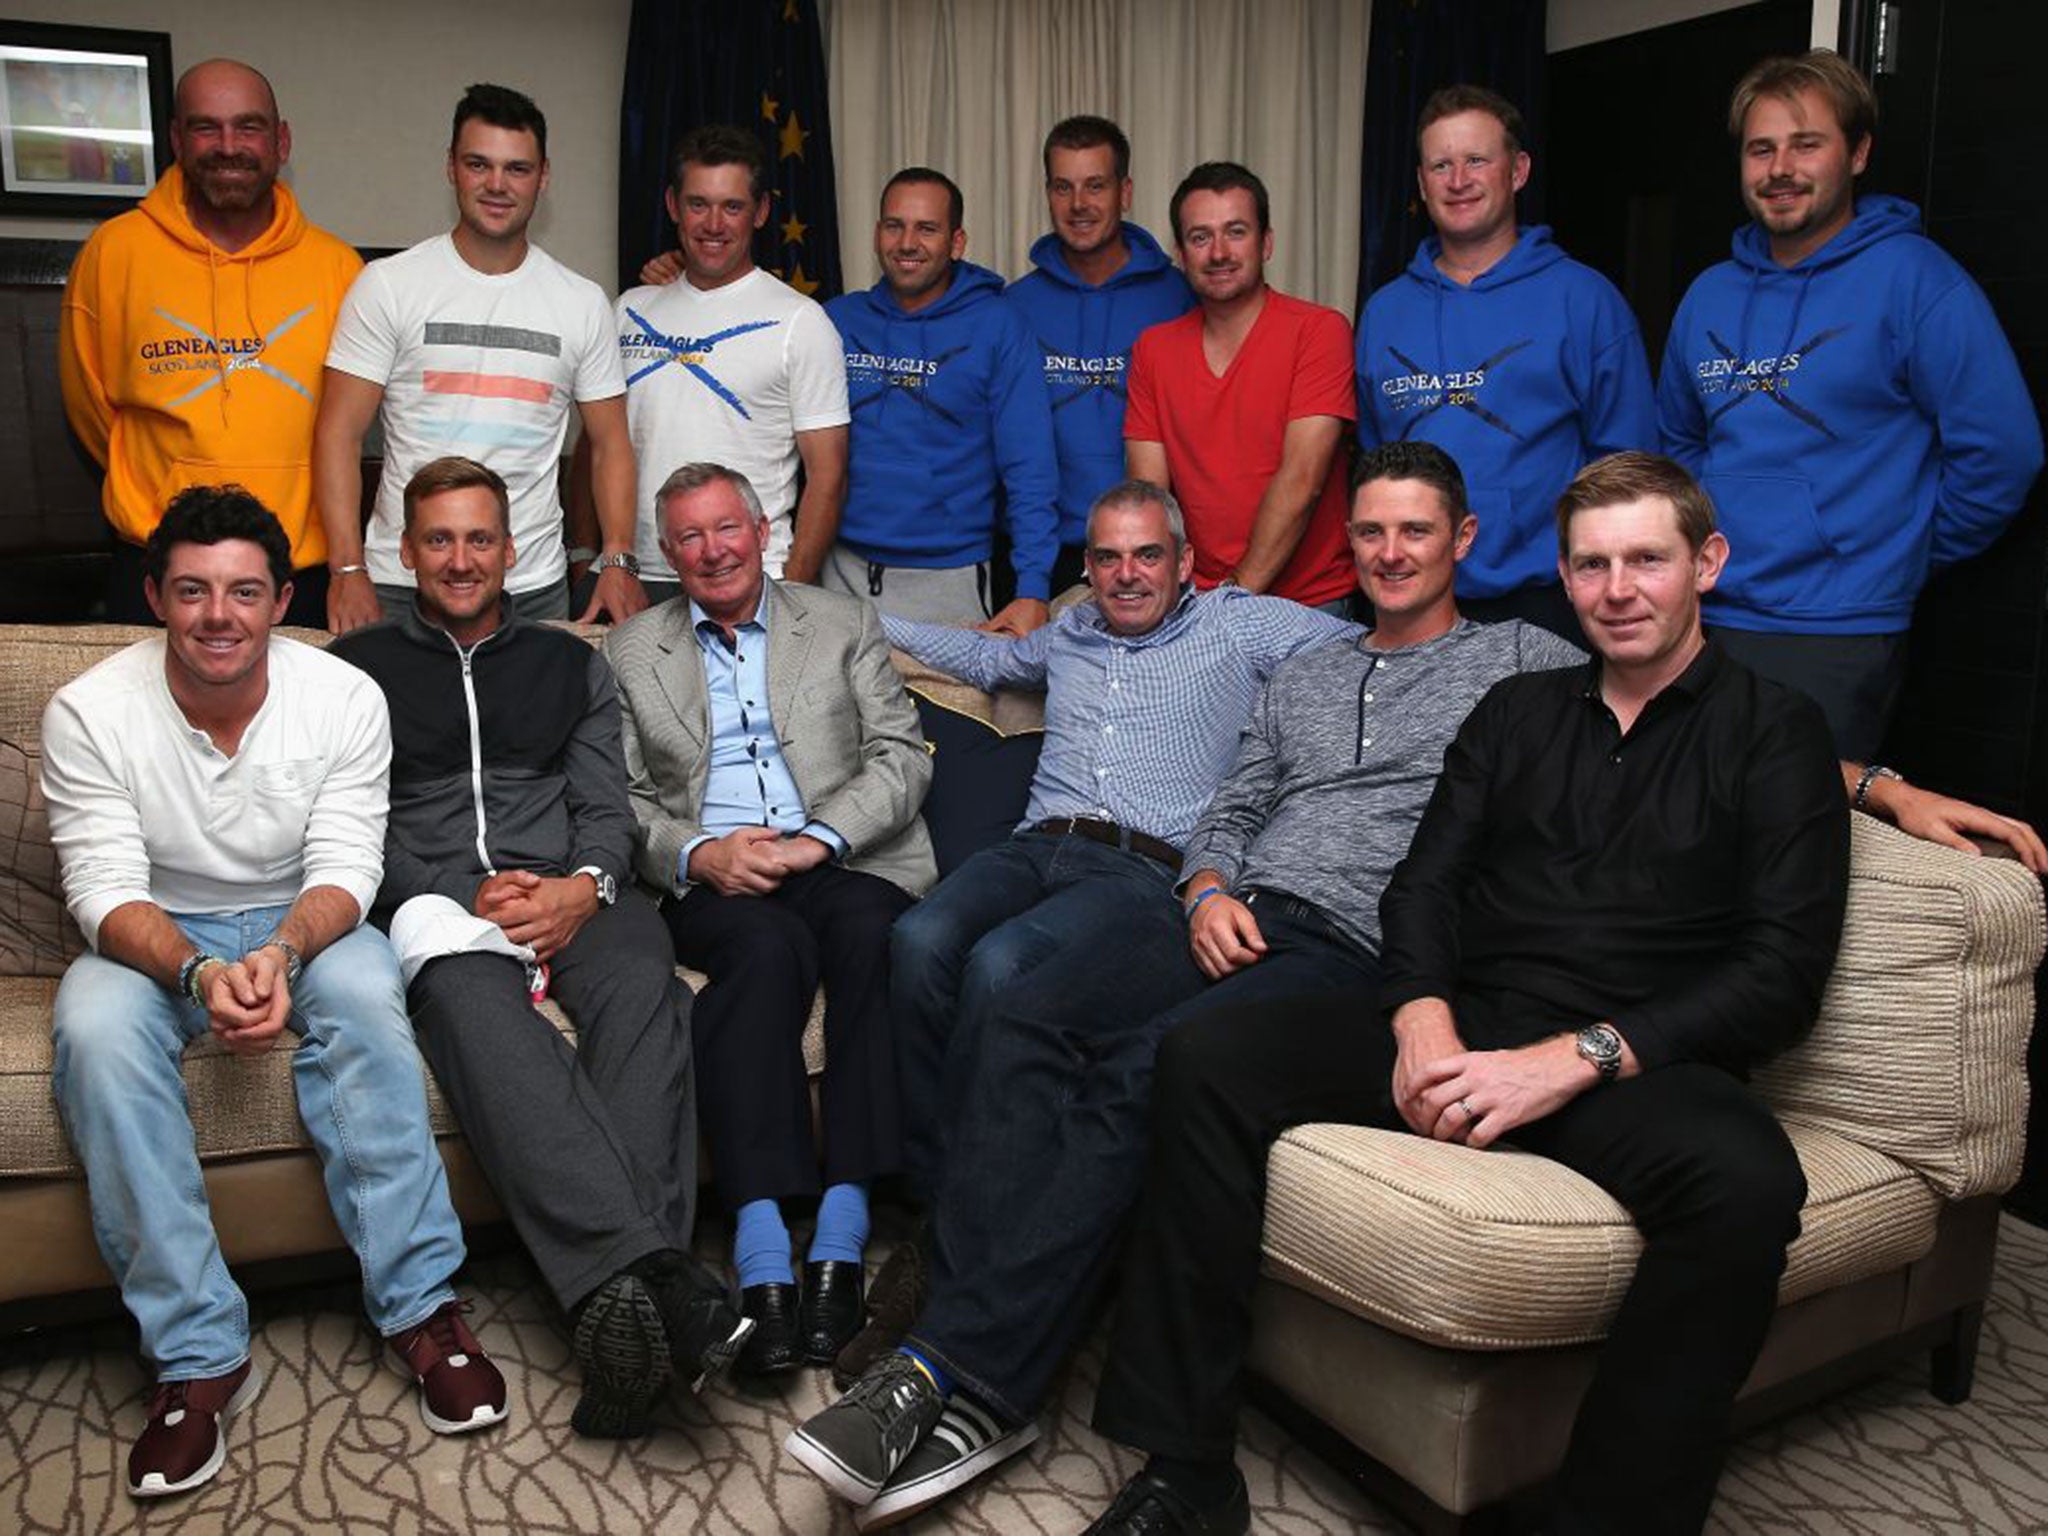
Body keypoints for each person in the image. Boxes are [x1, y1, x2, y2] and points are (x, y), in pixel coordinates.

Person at [798, 443, 1581, 1527]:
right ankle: (951, 1277)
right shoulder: (1308, 670)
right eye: (1369, 533)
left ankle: (952, 1368)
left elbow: (1653, 709)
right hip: (1228, 912)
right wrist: (1210, 881)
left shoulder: (1513, 658)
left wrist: (1863, 780)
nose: (1389, 552)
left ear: (1462, 541)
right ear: (1345, 548)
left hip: (1355, 942)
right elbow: (1236, 799)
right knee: (1017, 1003)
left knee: (1140, 1063)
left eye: (1412, 531)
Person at [1084, 451, 1853, 1535]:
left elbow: (1780, 977)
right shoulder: (1518, 708)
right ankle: (1188, 1464)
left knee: (1745, 1181)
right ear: (1562, 574)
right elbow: (1423, 885)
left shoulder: (1772, 733)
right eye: (1591, 565)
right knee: (1205, 1059)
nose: (1616, 589)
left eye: (1645, 560)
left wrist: (1573, 1061)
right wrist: (1419, 1016)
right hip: (1473, 1017)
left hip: (1636, 1058)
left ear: (1705, 565)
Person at [783, 478, 1352, 1510]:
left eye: (1145, 556)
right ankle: (945, 1201)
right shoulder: (1071, 633)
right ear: (1083, 567)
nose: (1125, 575)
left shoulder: (1241, 627)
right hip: (1031, 846)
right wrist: (846, 614)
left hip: (1141, 871)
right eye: (1105, 558)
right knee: (914, 942)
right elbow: (980, 657)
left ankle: (955, 1264)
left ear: (1183, 561)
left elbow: (1366, 646)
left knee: (1007, 972)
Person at [43, 486, 507, 1502]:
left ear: (279, 598)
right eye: (196, 592)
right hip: (157, 932)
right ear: (158, 597)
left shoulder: (340, 696)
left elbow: (347, 865)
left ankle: (421, 1308)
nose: (221, 616)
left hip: (305, 919)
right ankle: (197, 1354)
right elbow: (101, 888)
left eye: (245, 592)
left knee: (372, 1001)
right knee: (91, 1028)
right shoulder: (89, 709)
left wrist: (284, 958)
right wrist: (199, 972)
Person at [330, 455, 752, 1440]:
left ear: (512, 551)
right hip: (440, 906)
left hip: (569, 891)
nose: (461, 558)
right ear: (408, 551)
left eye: (480, 538)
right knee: (471, 1002)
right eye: (440, 539)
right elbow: (351, 827)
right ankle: (655, 1284)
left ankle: (626, 1320)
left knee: (648, 977)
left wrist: (581, 887)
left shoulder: (571, 664)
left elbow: (605, 808)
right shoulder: (357, 673)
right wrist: (448, 893)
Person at [605, 462, 937, 1377]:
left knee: (876, 937)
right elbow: (620, 799)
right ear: (667, 554)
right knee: (763, 947)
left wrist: (817, 841)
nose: (712, 551)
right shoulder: (629, 651)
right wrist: (696, 854)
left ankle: (839, 1232)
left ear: (762, 533)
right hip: (717, 878)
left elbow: (902, 757)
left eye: (727, 529)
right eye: (690, 538)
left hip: (838, 856)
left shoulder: (837, 622)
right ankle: (761, 1255)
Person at [1658, 48, 2042, 761]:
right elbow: (1679, 442)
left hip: (1836, 630)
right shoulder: (1708, 293)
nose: (1780, 169)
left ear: (1858, 153)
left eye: (1807, 145)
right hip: (1704, 616)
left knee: (1792, 843)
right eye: (1761, 148)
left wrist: (1899, 550)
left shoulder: (1916, 280)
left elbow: (2004, 452)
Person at [315, 83, 642, 632]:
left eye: (517, 168)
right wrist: (346, 568)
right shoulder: (388, 286)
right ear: (451, 168)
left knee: (530, 722)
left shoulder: (580, 302)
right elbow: (337, 435)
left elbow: (611, 444)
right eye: (478, 164)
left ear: (544, 177)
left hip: (531, 586)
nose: (497, 185)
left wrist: (617, 558)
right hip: (401, 582)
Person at [59, 59, 362, 627]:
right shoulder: (113, 254)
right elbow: (91, 412)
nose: (228, 146)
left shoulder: (338, 269)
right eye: (206, 127)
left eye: (248, 127)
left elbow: (351, 426)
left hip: (301, 574)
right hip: (160, 568)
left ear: (281, 140)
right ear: (177, 139)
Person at [1356, 84, 1654, 640]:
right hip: (1414, 602)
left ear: (1517, 171)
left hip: (1546, 602)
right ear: (1422, 183)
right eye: (1440, 165)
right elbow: (1379, 464)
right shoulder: (1385, 312)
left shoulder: (1583, 299)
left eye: (1476, 160)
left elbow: (1627, 469)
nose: (1458, 180)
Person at [576, 124, 848, 602]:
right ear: (673, 206)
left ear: (761, 212)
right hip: (631, 576)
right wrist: (582, 557)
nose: (714, 224)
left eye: (733, 207)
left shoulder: (801, 322)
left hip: (745, 580)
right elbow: (594, 444)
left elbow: (827, 473)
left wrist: (794, 594)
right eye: (698, 204)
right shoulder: (629, 310)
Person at [821, 168, 1059, 633]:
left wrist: (1033, 587)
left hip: (950, 580)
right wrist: (681, 277)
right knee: (831, 708)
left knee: (944, 709)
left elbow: (1029, 466)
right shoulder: (836, 320)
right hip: (841, 574)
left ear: (956, 242)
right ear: (877, 234)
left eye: (926, 229)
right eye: (894, 225)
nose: (907, 242)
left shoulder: (998, 324)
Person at [1123, 162, 1355, 610]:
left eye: (1236, 232)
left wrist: (1232, 603)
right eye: (1200, 237)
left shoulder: (1319, 331)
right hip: (1195, 602)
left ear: (1266, 242)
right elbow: (1150, 494)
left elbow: (1302, 479)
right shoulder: (1154, 350)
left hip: (1309, 604)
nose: (1218, 253)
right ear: (1180, 252)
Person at [1005, 115, 1193, 593]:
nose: (1079, 204)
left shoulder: (1182, 297)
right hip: (1040, 555)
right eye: (1063, 187)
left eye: (1095, 186)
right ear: (1047, 194)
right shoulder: (1013, 307)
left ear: (1125, 192)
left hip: (1150, 553)